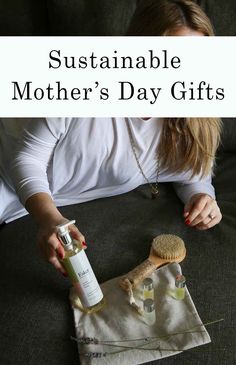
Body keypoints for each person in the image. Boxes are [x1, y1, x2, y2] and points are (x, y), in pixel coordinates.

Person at [0, 0, 222, 277]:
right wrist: (49, 218)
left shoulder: (194, 111)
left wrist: (202, 196)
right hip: (7, 174)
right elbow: (27, 158)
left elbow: (191, 171)